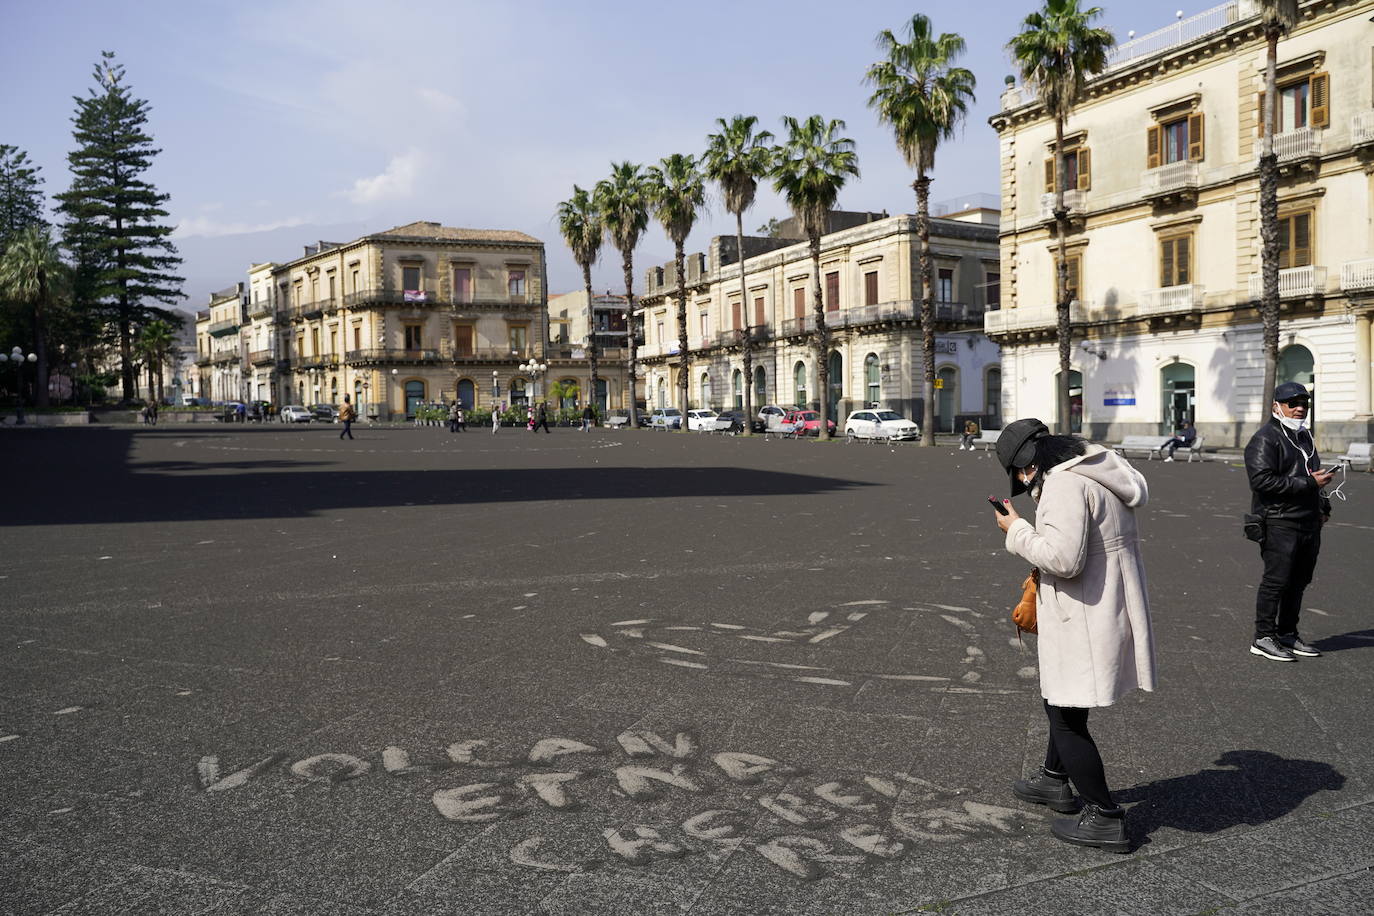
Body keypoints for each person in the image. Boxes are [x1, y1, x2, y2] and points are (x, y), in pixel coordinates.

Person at [993, 418, 1155, 854]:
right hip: (1108, 603)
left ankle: (1104, 815)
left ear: (1028, 465)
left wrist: (1017, 530)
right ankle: (1053, 780)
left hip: (1083, 612)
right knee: (1063, 699)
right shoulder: (1101, 469)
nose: (1025, 481)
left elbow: (1063, 559)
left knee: (1064, 713)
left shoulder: (1064, 485)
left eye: (1022, 474)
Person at [1244, 382, 1332, 662]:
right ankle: (1263, 637)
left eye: (1304, 403)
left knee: (1299, 581)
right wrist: (1308, 483)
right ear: (1276, 407)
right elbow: (1261, 481)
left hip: (1308, 522)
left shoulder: (1304, 437)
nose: (1299, 408)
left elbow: (1312, 475)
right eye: (1292, 403)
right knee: (1276, 581)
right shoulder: (1265, 438)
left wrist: (1322, 504)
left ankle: (1287, 634)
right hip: (1279, 521)